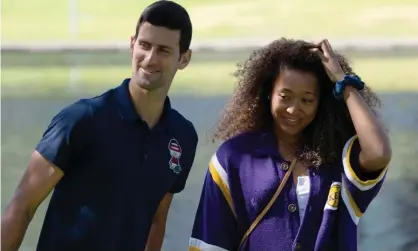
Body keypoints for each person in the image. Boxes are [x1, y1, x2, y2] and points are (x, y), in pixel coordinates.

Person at [1, 1, 198, 251]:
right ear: (131, 44)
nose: (149, 59)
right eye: (144, 45)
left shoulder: (182, 137)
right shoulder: (82, 119)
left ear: (184, 58)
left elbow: (156, 220)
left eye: (163, 50)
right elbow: (21, 206)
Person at [188, 38, 391, 251]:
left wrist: (343, 81)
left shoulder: (338, 156)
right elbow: (210, 241)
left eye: (307, 100)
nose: (294, 110)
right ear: (269, 94)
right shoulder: (234, 156)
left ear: (321, 103)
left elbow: (379, 152)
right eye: (285, 96)